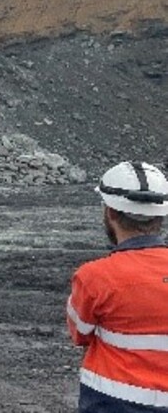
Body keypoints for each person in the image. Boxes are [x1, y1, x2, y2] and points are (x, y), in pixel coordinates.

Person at [67, 161, 168, 412]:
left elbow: (80, 333)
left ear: (110, 213)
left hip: (112, 400)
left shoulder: (94, 277)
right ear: (160, 215)